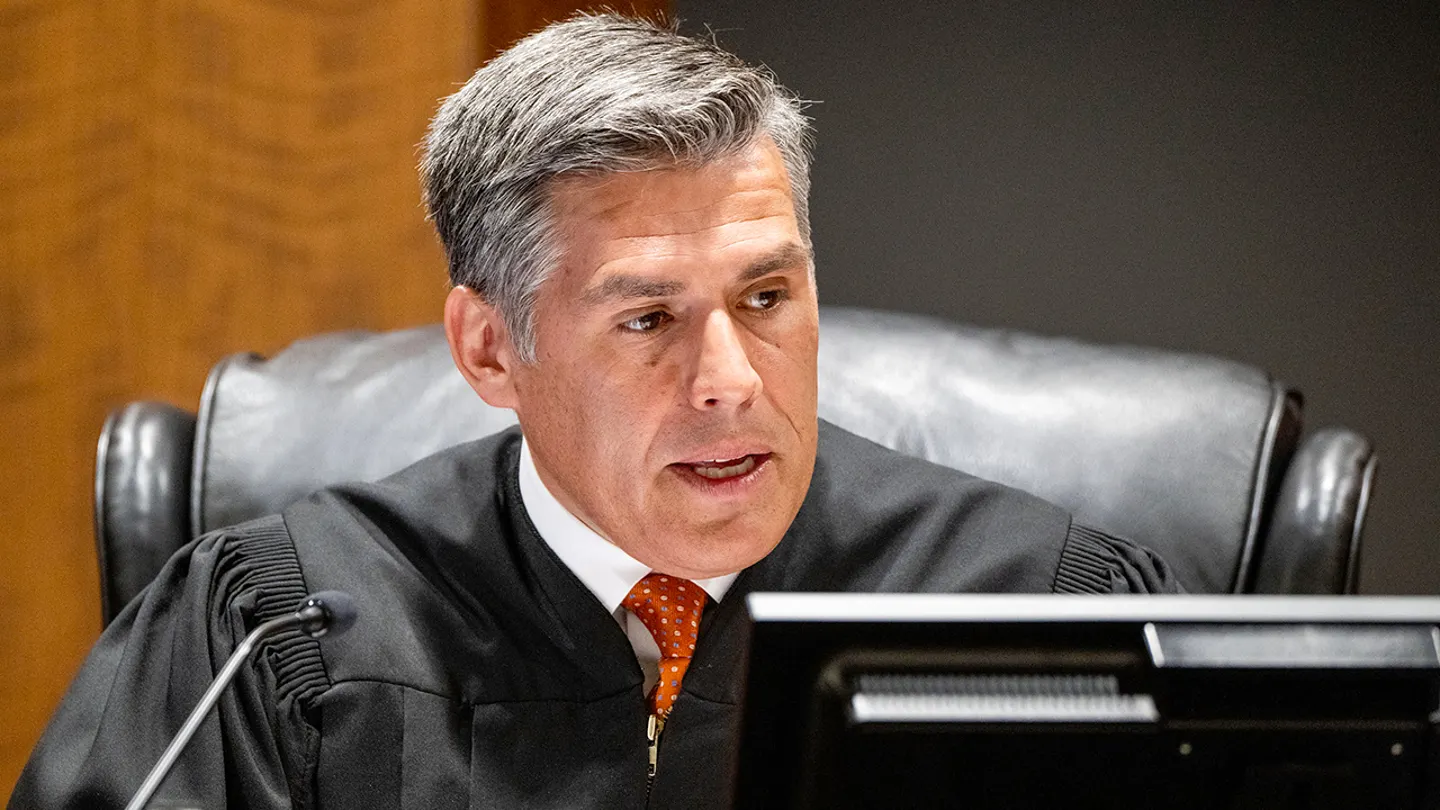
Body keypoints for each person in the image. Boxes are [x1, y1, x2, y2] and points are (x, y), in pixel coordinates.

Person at [11, 14, 1178, 810]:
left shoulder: (1038, 609)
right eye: (648, 319)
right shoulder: (285, 633)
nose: (729, 377)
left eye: (766, 295)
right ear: (489, 348)